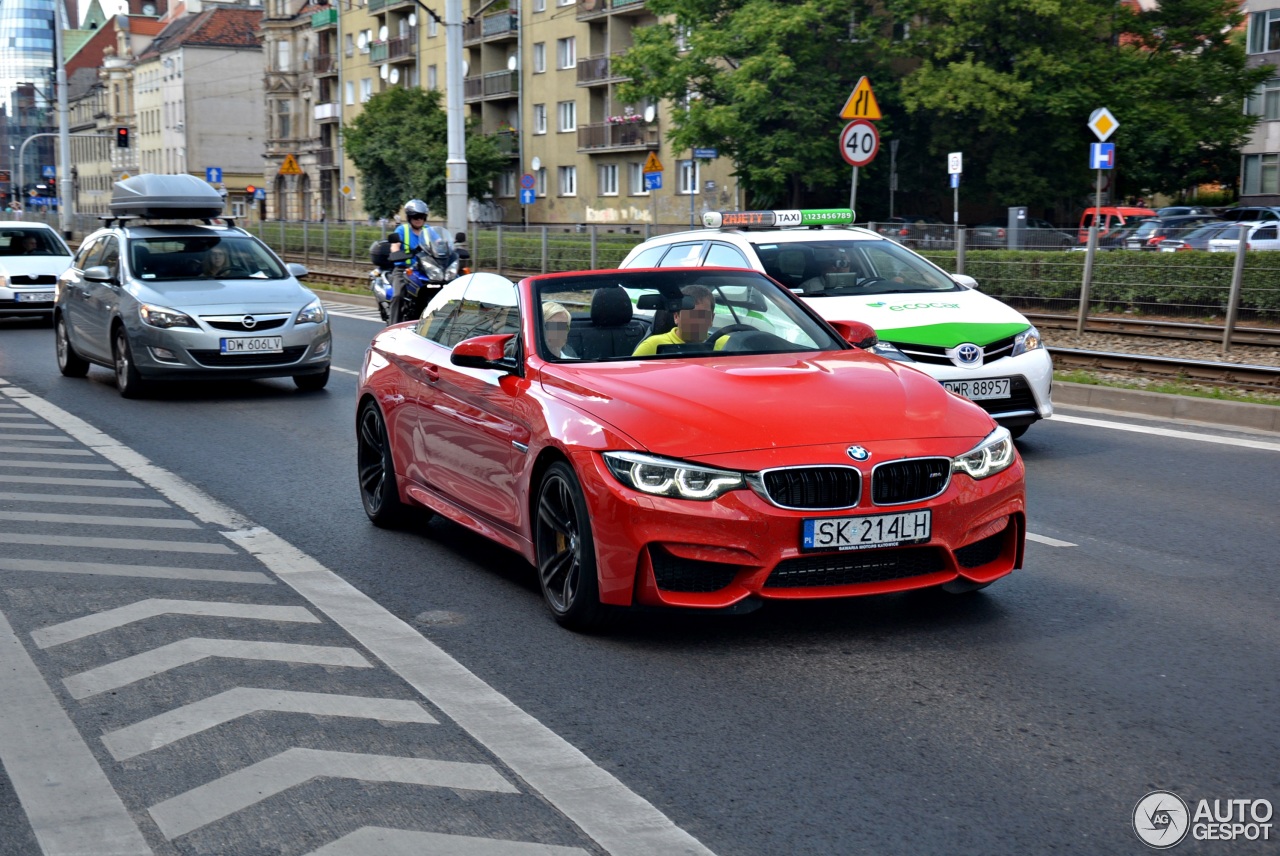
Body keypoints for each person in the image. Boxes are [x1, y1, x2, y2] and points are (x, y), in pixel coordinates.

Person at [387, 198, 442, 323]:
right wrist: (396, 253)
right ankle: (392, 328)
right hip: (404, 271)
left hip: (426, 270)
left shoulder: (429, 230)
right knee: (398, 296)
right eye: (415, 216)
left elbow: (440, 243)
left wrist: (448, 250)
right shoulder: (402, 230)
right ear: (409, 217)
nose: (419, 219)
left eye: (422, 216)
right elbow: (394, 246)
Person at [632, 284, 717, 356]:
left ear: (711, 319)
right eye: (690, 315)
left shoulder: (725, 343)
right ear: (676, 317)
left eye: (702, 315)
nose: (695, 321)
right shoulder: (652, 345)